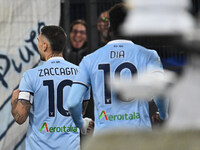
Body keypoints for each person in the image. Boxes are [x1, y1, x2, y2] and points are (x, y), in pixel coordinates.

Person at [67, 3, 168, 134]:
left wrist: (81, 124)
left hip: (105, 139)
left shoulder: (89, 59)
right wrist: (163, 116)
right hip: (139, 137)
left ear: (110, 27)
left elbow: (73, 102)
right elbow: (160, 92)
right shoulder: (149, 55)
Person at [11, 25, 90, 150]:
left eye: (38, 41)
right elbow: (80, 112)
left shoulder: (31, 76)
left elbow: (20, 117)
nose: (38, 45)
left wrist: (14, 101)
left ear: (45, 46)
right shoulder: (81, 74)